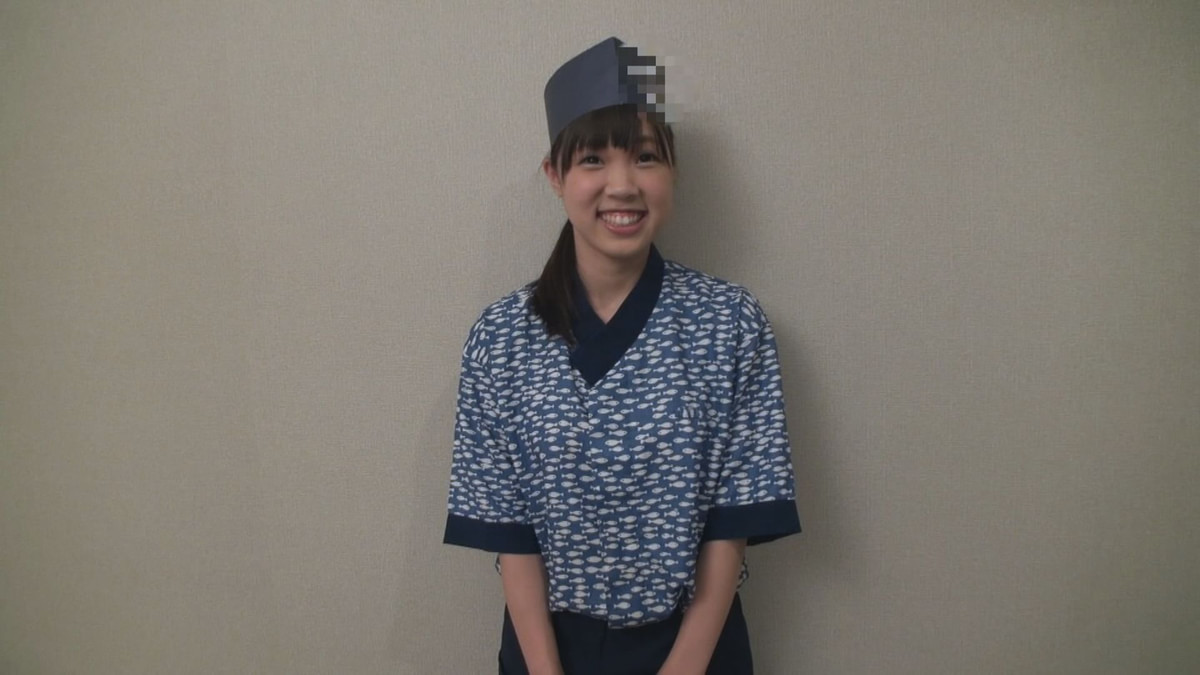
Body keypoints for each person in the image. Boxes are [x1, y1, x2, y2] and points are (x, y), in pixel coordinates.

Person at [443, 37, 801, 675]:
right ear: (555, 176)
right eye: (592, 159)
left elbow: (730, 527)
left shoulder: (731, 323)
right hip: (547, 647)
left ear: (672, 170)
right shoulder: (501, 338)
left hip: (696, 646)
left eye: (644, 157)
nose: (622, 185)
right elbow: (511, 535)